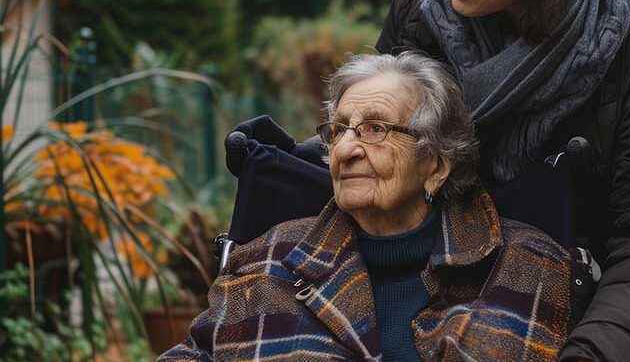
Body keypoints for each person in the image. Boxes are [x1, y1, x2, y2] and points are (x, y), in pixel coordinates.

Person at [225, 0, 630, 359]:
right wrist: (288, 160)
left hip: (587, 314)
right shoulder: (419, 14)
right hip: (447, 297)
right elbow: (389, 135)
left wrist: (593, 351)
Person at [160, 53, 594, 361]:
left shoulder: (527, 266)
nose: (344, 149)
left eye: (374, 129)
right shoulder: (265, 261)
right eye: (339, 130)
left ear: (436, 165)